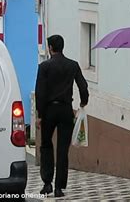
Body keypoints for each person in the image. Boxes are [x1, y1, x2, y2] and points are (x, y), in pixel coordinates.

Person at [35, 34, 89, 197]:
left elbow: (40, 92)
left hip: (49, 111)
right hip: (66, 110)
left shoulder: (44, 67)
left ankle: (47, 183)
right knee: (62, 150)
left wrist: (39, 114)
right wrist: (83, 102)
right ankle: (59, 187)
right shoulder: (73, 65)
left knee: (46, 145)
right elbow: (83, 85)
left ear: (50, 48)